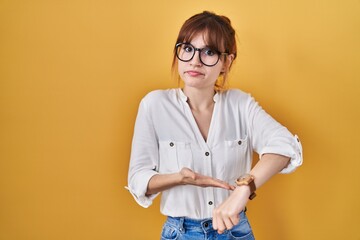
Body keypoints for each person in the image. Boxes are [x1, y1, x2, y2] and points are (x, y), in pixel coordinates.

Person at [126, 11, 303, 240]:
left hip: (235, 232)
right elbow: (139, 179)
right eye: (188, 48)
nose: (195, 61)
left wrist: (244, 189)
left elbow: (286, 147)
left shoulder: (240, 104)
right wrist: (181, 178)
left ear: (226, 62)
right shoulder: (154, 105)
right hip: (181, 233)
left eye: (209, 52)